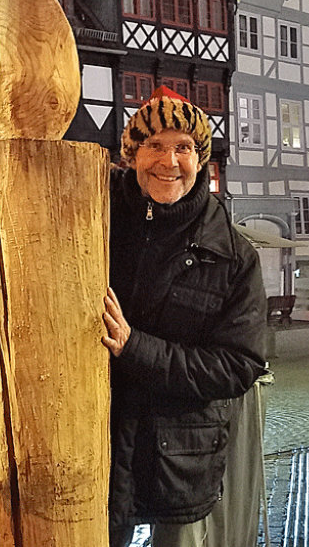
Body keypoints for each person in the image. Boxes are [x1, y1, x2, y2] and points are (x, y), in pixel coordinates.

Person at [101, 86, 268, 547]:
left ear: (201, 159)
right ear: (132, 155)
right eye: (154, 145)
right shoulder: (98, 217)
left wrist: (136, 348)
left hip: (180, 455)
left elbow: (239, 365)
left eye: (183, 147)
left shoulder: (232, 255)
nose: (169, 161)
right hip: (96, 440)